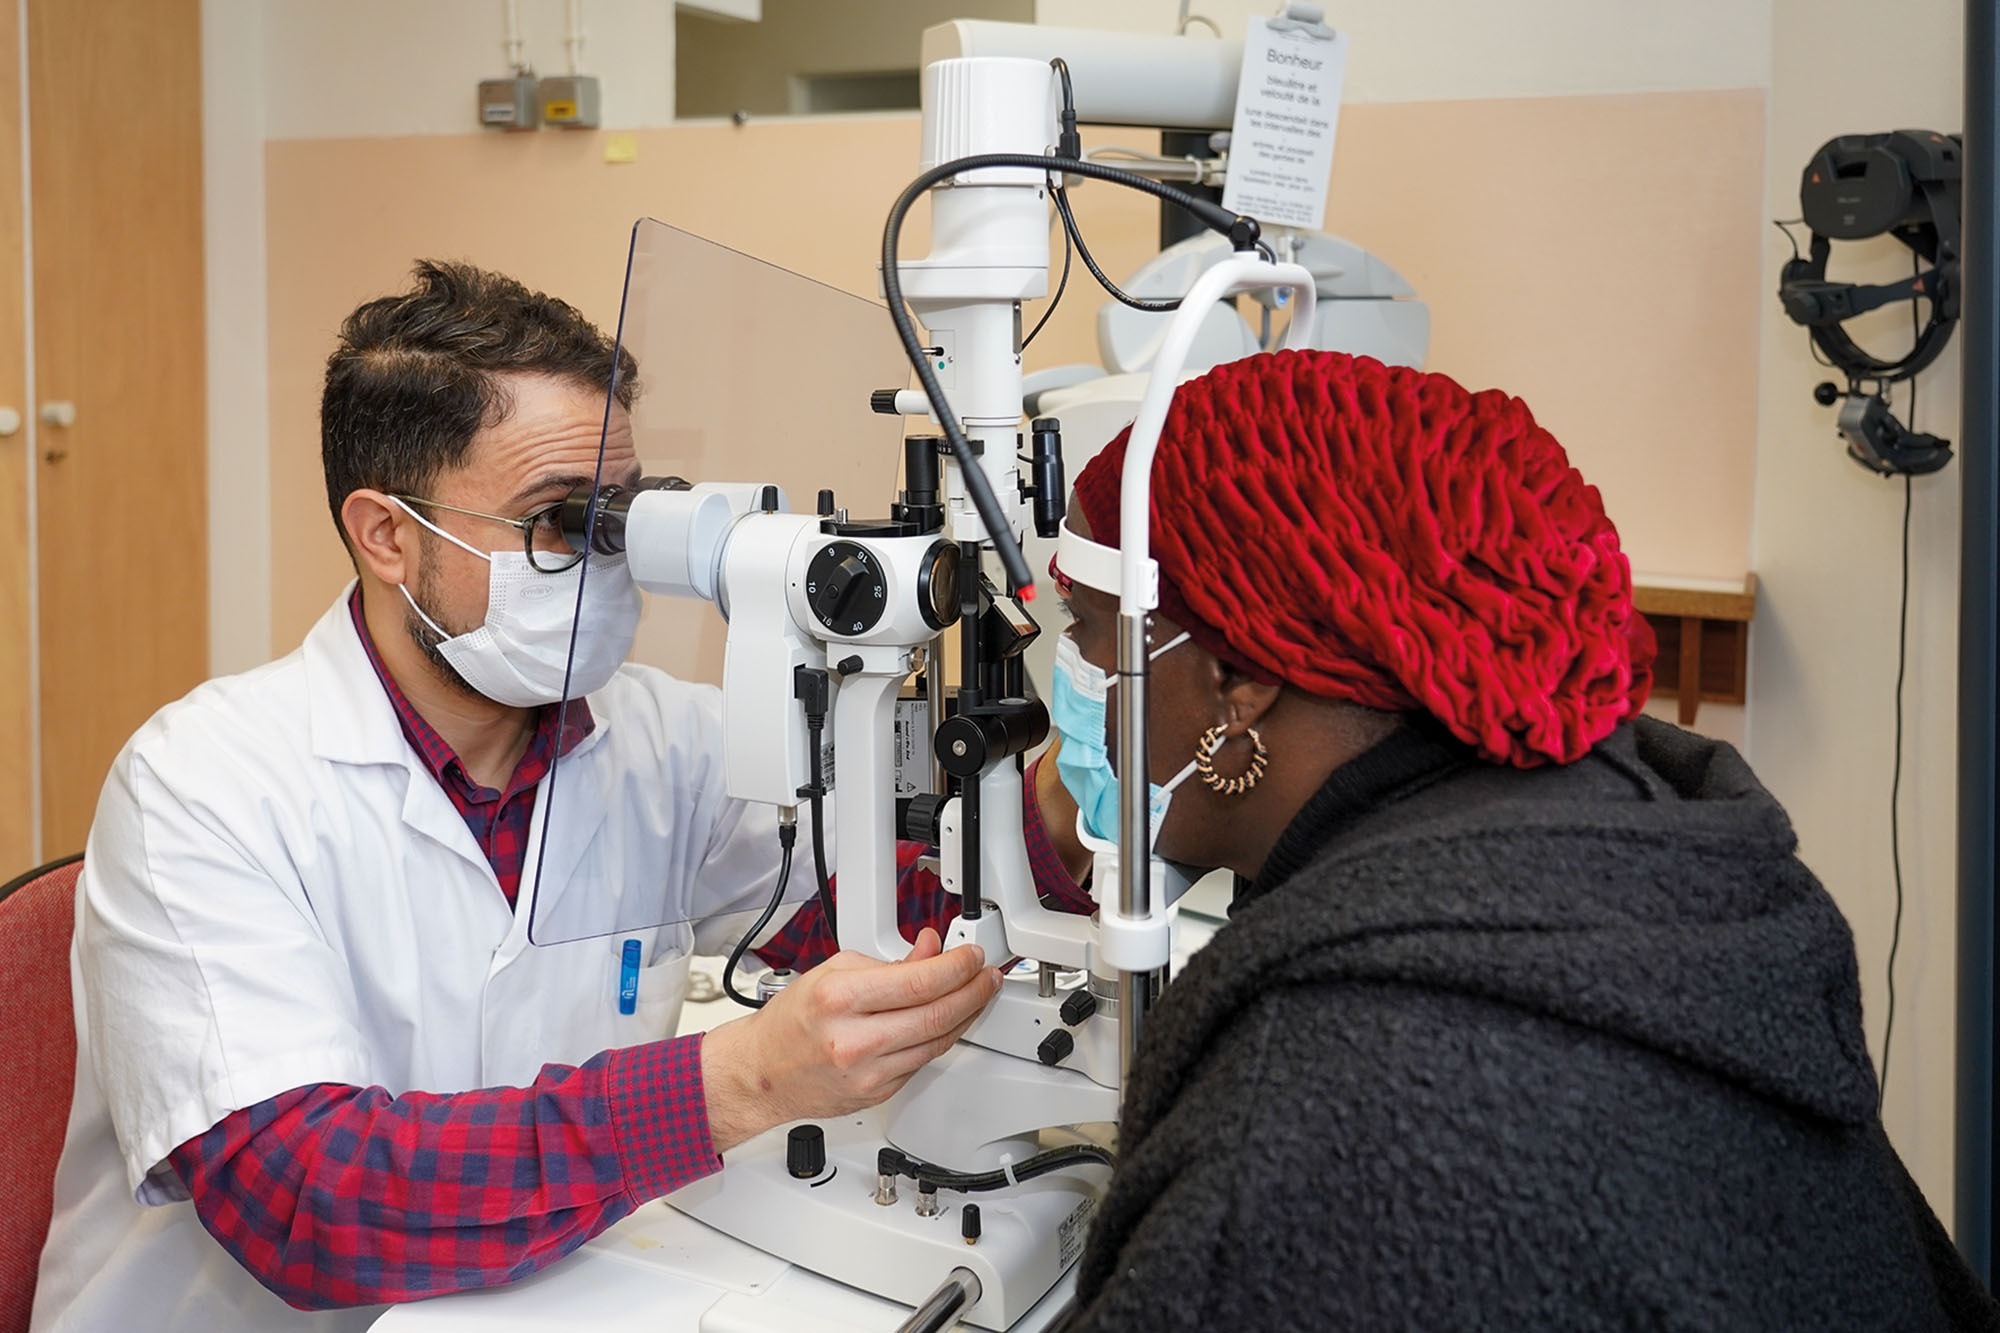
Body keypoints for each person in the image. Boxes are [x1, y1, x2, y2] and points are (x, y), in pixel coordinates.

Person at [30, 261, 1091, 1332]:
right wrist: (738, 1081)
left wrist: (1054, 809)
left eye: (622, 516)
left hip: (546, 1300)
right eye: (558, 520)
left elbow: (859, 922)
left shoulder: (663, 738)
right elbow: (311, 1199)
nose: (605, 558)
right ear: (387, 534)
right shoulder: (202, 786)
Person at [1046, 349, 1999, 1330]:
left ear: (1237, 682)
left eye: (1085, 636)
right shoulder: (1642, 848)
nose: (1071, 683)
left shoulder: (1331, 1114)